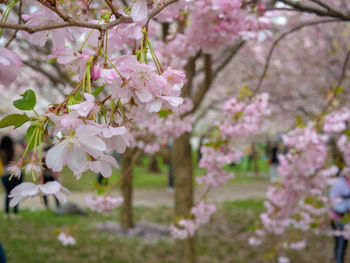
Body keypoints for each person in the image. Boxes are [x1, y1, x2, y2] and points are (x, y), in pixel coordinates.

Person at [329, 168, 350, 263]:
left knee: (343, 242)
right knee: (341, 242)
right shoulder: (338, 183)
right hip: (340, 216)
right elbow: (334, 201)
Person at [0, 136, 23, 218]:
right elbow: (24, 155)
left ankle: (6, 213)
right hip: (16, 174)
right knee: (16, 194)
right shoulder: (17, 148)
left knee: (8, 194)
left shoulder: (2, 151)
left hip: (5, 176)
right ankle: (15, 213)